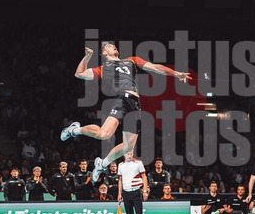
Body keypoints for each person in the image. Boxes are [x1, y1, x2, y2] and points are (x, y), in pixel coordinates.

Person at [60, 40, 189, 184]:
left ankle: (102, 164)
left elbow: (155, 68)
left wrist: (176, 74)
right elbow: (79, 73)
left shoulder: (132, 61)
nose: (112, 45)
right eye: (108, 45)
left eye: (112, 44)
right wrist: (87, 57)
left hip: (135, 105)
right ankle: (74, 130)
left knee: (128, 147)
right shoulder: (103, 68)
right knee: (104, 134)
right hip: (122, 100)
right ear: (104, 53)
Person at [117, 150, 149, 214]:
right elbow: (120, 180)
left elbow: (144, 176)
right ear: (124, 154)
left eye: (131, 153)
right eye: (127, 153)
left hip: (136, 192)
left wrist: (144, 190)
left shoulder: (138, 163)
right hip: (126, 194)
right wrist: (119, 194)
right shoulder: (120, 165)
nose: (129, 155)